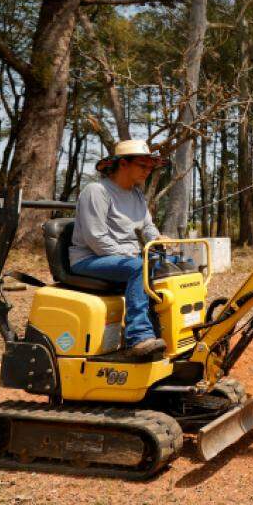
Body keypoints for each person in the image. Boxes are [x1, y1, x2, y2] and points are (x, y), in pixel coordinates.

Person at [69, 140, 168, 358]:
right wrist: (136, 256)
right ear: (123, 163)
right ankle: (139, 337)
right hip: (90, 259)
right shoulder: (96, 191)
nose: (147, 171)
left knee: (180, 266)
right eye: (143, 166)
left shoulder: (136, 195)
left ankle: (170, 330)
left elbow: (148, 227)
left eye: (150, 168)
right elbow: (97, 239)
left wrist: (157, 238)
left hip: (125, 258)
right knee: (138, 268)